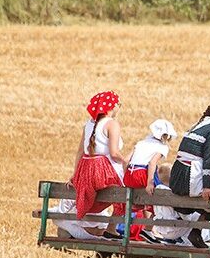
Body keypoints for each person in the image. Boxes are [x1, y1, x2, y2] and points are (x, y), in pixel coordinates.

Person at [170, 102, 210, 247]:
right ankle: (196, 231)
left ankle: (193, 230)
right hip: (188, 177)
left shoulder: (199, 126)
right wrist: (207, 186)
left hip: (178, 175)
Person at [70, 91, 129, 235]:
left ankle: (94, 227)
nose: (119, 108)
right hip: (102, 170)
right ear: (111, 106)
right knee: (126, 190)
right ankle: (111, 228)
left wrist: (75, 175)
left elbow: (80, 152)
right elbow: (114, 153)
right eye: (118, 104)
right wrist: (126, 161)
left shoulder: (88, 125)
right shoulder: (111, 124)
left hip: (85, 169)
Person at [123, 118, 177, 241]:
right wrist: (149, 182)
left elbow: (126, 160)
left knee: (145, 200)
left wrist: (126, 177)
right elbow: (152, 163)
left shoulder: (141, 143)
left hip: (130, 175)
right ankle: (148, 229)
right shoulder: (162, 147)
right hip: (143, 174)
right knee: (158, 197)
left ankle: (149, 229)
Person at [146, 163, 194, 245]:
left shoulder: (156, 191)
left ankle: (179, 238)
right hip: (173, 229)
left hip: (160, 229)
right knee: (196, 216)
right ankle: (185, 239)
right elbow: (183, 214)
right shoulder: (172, 192)